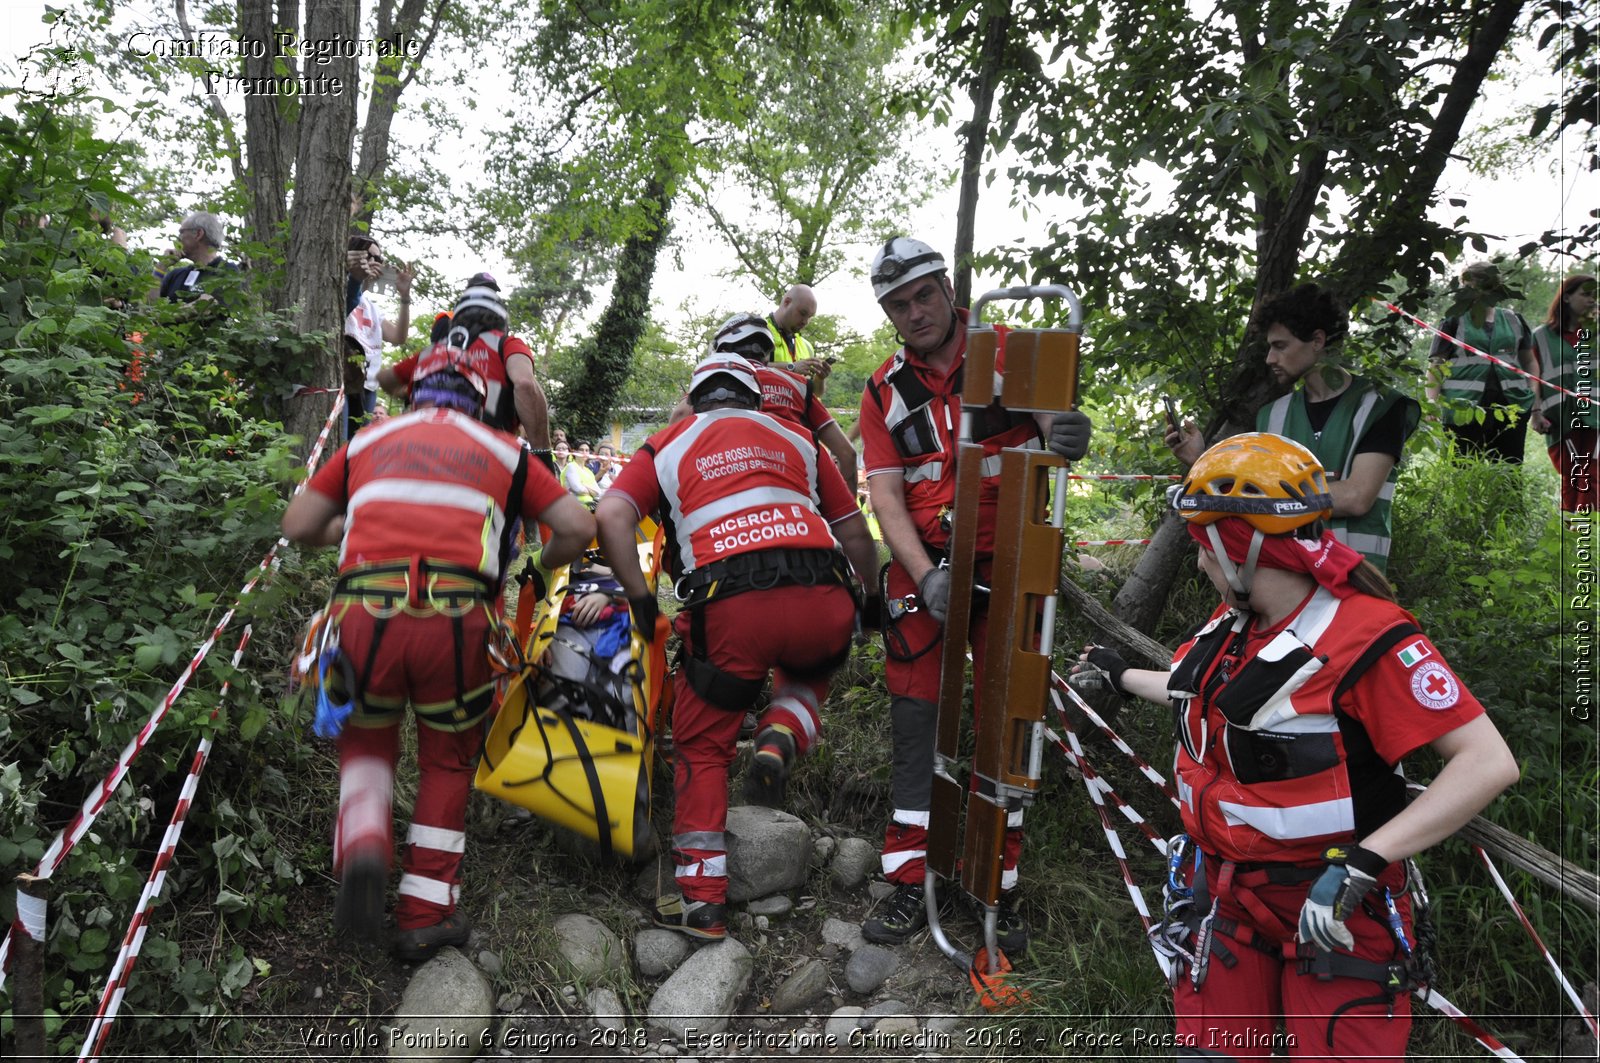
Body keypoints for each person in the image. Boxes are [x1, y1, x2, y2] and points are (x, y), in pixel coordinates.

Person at [1073, 433, 1518, 1061]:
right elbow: (1193, 690)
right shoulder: (1234, 623)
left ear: (1241, 552)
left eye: (1205, 550)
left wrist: (1365, 863)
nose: (1200, 565)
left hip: (1336, 903)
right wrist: (1118, 676)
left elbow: (1487, 762)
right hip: (1225, 899)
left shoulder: (1370, 638)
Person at [282, 346, 594, 962]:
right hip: (459, 621)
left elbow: (297, 524)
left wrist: (345, 530)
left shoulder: (369, 442)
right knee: (447, 762)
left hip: (363, 616)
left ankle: (366, 845)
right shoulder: (506, 451)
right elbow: (578, 528)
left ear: (412, 395)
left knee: (368, 742)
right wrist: (543, 563)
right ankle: (424, 913)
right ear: (482, 400)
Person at [856, 236, 1093, 951]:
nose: (914, 311)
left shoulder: (1007, 349)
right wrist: (924, 572)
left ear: (948, 287)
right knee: (916, 724)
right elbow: (886, 497)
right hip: (925, 571)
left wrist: (1068, 431)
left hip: (1011, 565)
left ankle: (996, 884)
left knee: (1007, 721)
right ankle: (907, 881)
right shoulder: (882, 390)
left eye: (923, 294)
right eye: (898, 304)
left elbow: (1054, 428)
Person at [595, 353, 882, 940]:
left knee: (703, 746)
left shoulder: (667, 443)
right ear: (755, 398)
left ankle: (703, 903)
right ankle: (782, 730)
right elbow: (853, 528)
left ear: (695, 398)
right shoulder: (798, 437)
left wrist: (642, 601)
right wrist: (871, 599)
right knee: (816, 662)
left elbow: (611, 514)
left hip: (731, 610)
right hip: (821, 594)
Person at [1167, 282, 1420, 572]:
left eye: (1280, 346)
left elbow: (1357, 496)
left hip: (1357, 579)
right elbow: (1249, 491)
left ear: (1317, 340)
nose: (1270, 358)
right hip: (1289, 580)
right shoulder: (1272, 415)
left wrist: (1264, 497)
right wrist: (1201, 461)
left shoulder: (1382, 406)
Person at [675, 313, 859, 487]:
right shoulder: (800, 385)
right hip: (798, 498)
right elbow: (847, 454)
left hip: (727, 493)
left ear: (722, 350)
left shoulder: (713, 381)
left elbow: (680, 419)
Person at [379, 272, 552, 451]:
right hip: (491, 453)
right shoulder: (506, 344)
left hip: (429, 449)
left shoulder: (435, 351)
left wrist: (419, 393)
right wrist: (543, 453)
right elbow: (524, 383)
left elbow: (385, 379)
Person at [1426, 261, 1538, 463]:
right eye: (1471, 287)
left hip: (1511, 407)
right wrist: (1431, 402)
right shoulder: (1453, 320)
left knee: (1509, 472)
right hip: (1462, 408)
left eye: (1486, 286)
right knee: (1463, 471)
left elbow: (1530, 362)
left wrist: (1533, 398)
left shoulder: (1514, 320)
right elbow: (1436, 365)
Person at [1531, 274, 1599, 513]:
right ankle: (1570, 536)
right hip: (1560, 418)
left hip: (1596, 417)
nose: (1592, 300)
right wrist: (1535, 412)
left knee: (1592, 474)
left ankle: (1584, 535)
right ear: (1567, 297)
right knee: (1571, 475)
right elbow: (1533, 377)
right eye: (1586, 294)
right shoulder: (1540, 335)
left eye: (1595, 296)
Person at [343, 234, 415, 437]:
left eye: (379, 259)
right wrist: (358, 279)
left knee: (359, 444)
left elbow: (398, 336)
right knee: (341, 442)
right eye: (370, 256)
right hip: (344, 379)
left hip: (368, 386)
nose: (375, 263)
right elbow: (348, 301)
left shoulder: (371, 307)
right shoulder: (338, 293)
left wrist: (405, 297)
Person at [154, 211, 239, 304]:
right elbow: (149, 309)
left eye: (181, 232)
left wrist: (166, 317)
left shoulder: (227, 271)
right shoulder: (175, 275)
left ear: (198, 234)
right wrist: (160, 267)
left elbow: (207, 306)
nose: (179, 238)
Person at [767, 282, 832, 393]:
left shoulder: (807, 346)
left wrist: (820, 378)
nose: (805, 322)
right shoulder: (759, 332)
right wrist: (791, 367)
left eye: (810, 317)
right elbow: (749, 368)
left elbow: (816, 394)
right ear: (787, 303)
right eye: (802, 313)